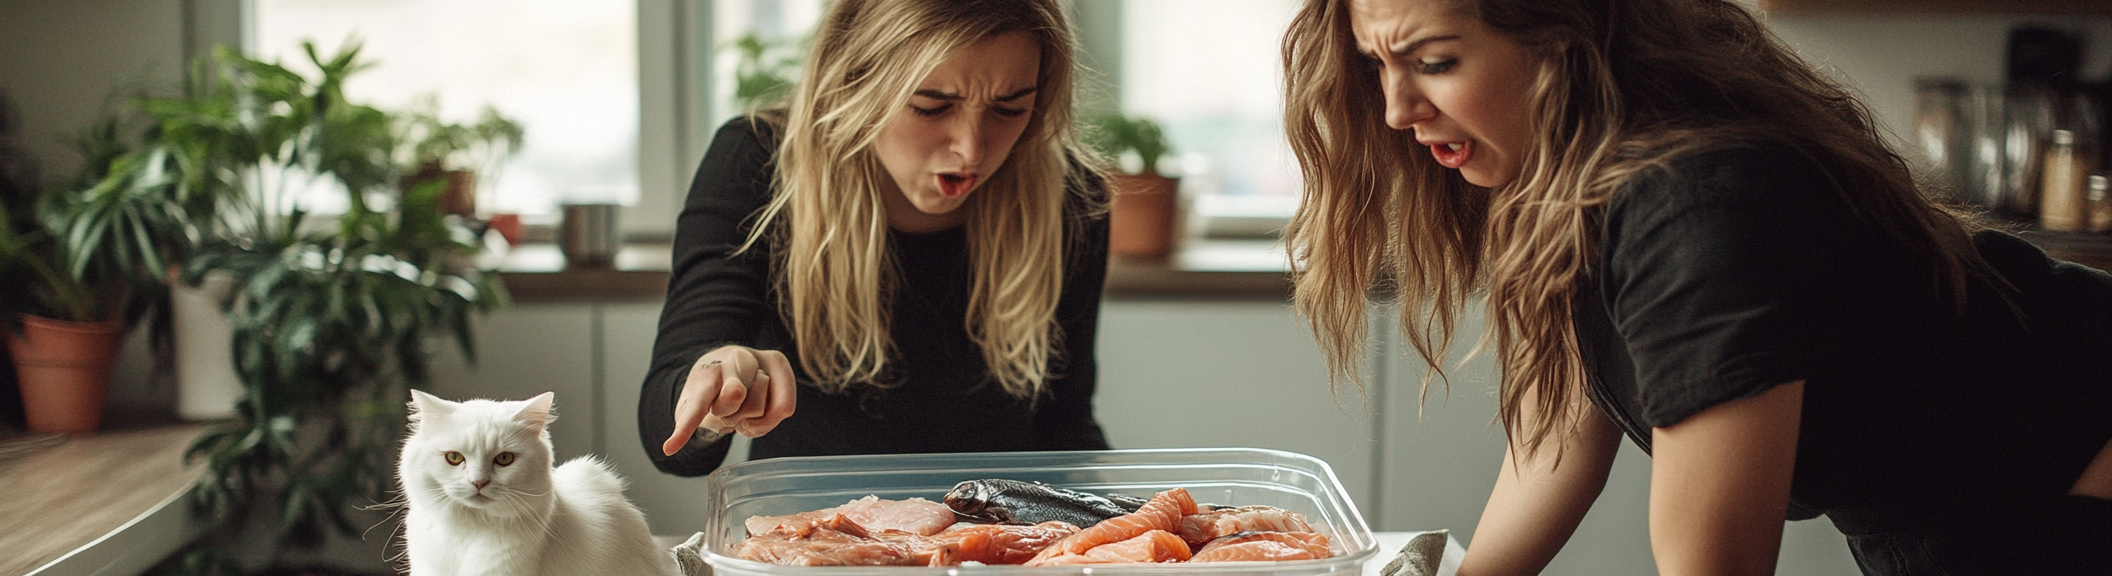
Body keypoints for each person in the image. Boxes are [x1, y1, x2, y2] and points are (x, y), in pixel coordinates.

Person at [1280, 0, 2112, 574]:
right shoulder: (1568, 187)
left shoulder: (1697, 209)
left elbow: (1716, 565)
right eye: (1375, 66)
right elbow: (1555, 446)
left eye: (1433, 62)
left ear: (1565, 39)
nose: (1394, 109)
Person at [640, 0, 1111, 477]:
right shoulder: (758, 162)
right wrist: (717, 382)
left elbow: (1063, 427)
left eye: (1009, 109)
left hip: (1002, 537)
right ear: (855, 82)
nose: (971, 148)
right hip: (813, 533)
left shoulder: (1069, 197)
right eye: (932, 106)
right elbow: (667, 438)